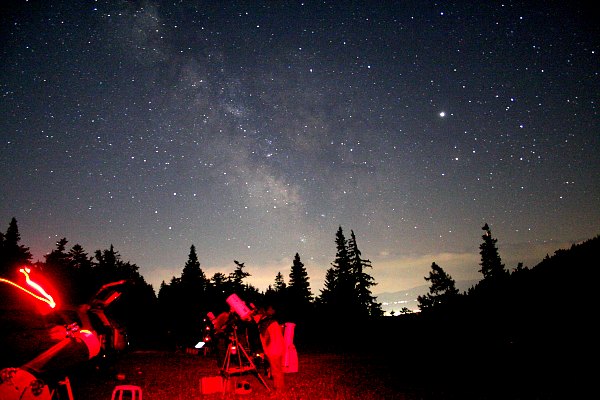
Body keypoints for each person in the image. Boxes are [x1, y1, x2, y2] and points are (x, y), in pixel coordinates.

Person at [254, 305, 285, 391]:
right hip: (278, 347)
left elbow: (267, 338)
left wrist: (267, 348)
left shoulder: (266, 324)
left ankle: (279, 388)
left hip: (274, 348)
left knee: (276, 369)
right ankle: (278, 385)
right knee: (277, 368)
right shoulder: (271, 322)